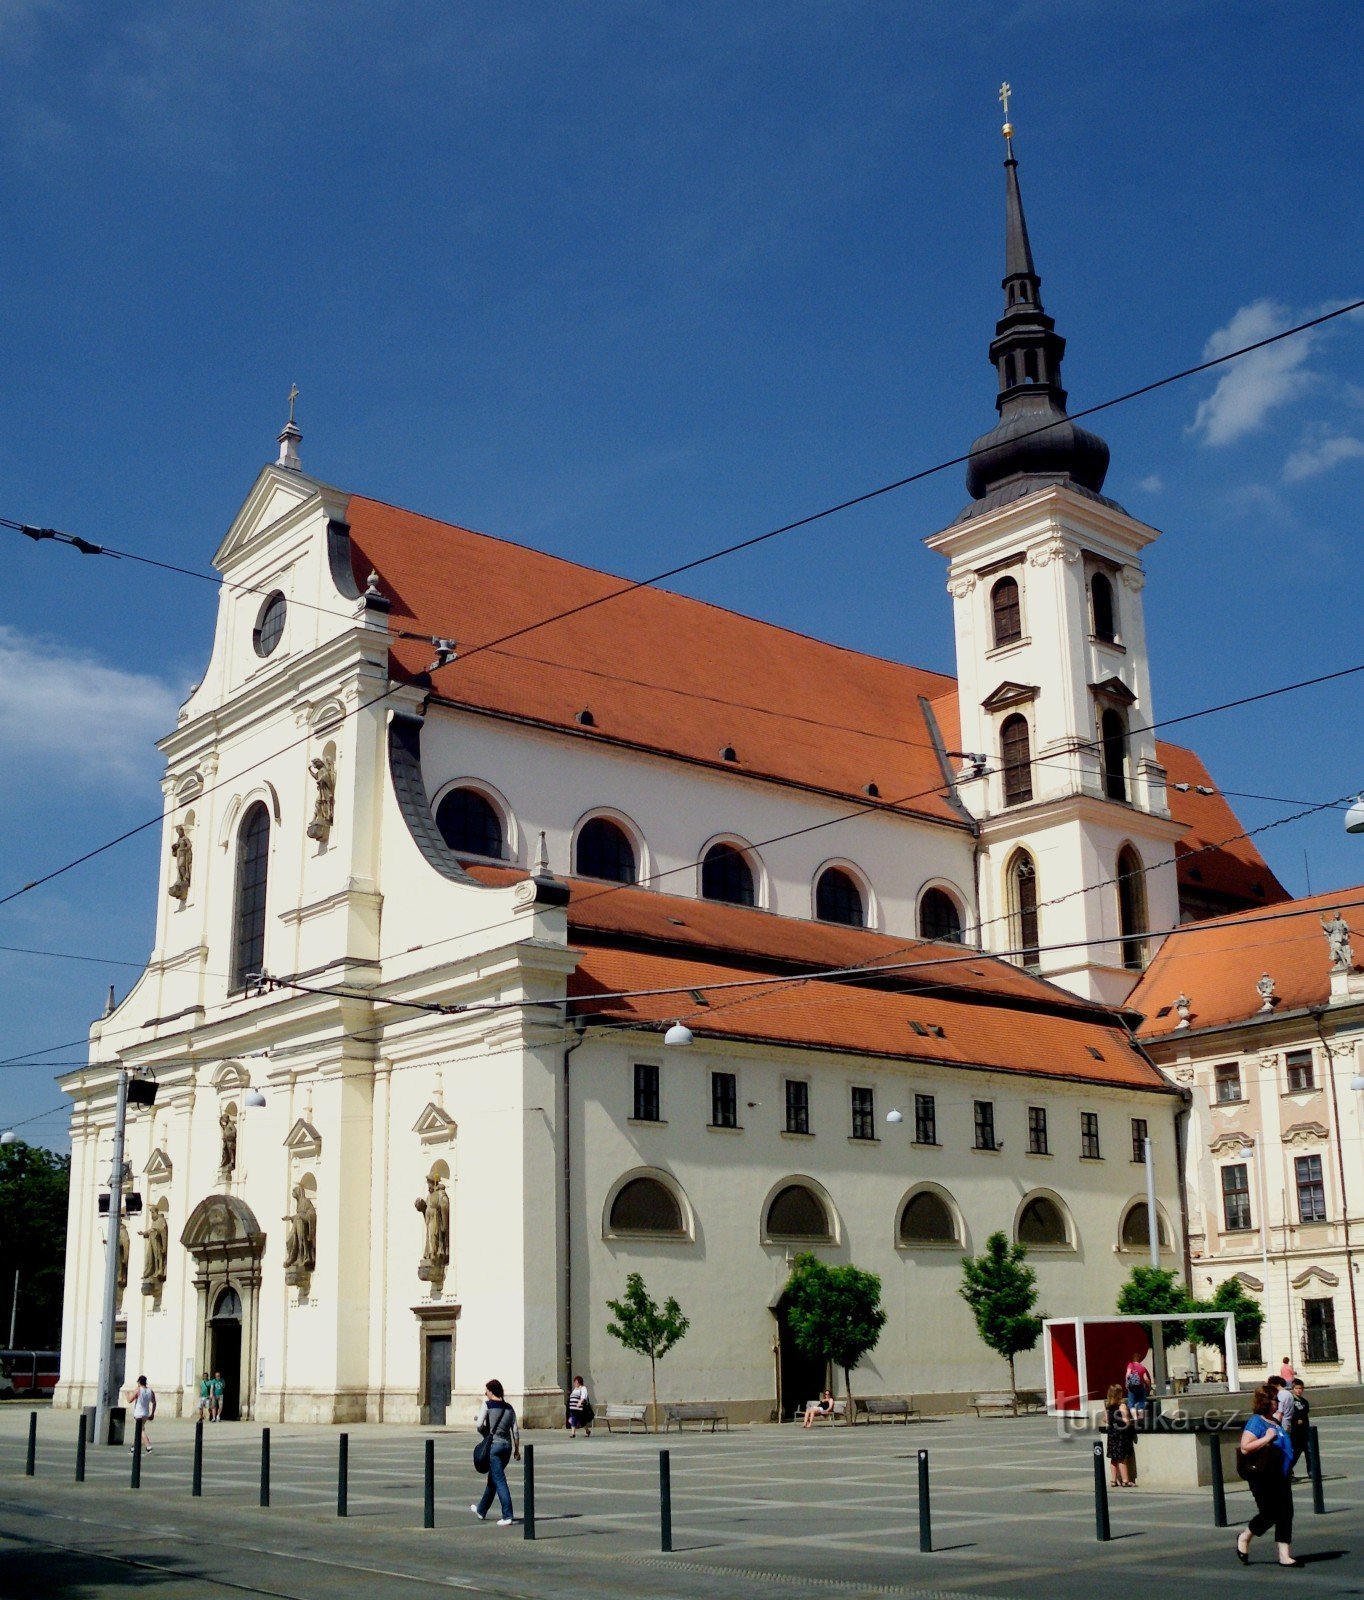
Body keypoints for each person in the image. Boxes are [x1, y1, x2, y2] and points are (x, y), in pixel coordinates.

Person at [1236, 1384, 1298, 1567]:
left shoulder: (1274, 1422)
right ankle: (1245, 1537)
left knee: (1286, 1513)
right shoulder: (1257, 1421)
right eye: (1274, 1400)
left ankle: (1284, 1555)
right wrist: (1267, 1438)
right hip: (1263, 1476)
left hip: (1281, 1475)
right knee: (1269, 1513)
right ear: (1265, 1401)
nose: (1277, 1403)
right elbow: (1245, 1447)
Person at [471, 1379, 520, 1526]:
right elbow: (516, 1431)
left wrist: (484, 1430)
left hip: (495, 1447)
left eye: (486, 1390)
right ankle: (481, 1510)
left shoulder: (488, 1405)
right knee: (493, 1479)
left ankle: (508, 1515)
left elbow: (479, 1425)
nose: (485, 1393)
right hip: (507, 1447)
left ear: (491, 1391)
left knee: (499, 1480)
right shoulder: (509, 1408)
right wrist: (517, 1450)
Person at [1105, 1384, 1137, 1487]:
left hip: (1111, 1434)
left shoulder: (1108, 1405)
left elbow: (1105, 1419)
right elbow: (1125, 1420)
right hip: (1121, 1434)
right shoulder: (1121, 1406)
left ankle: (1113, 1481)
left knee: (1113, 1458)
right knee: (1122, 1458)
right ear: (1118, 1394)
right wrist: (1130, 1422)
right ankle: (1125, 1480)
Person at [125, 1375, 156, 1452]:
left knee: (140, 1430)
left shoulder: (138, 1390)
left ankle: (148, 1446)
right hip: (146, 1413)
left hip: (139, 1413)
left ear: (139, 1382)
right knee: (139, 1430)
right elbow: (154, 1402)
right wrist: (152, 1413)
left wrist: (127, 1394)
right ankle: (135, 1447)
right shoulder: (150, 1391)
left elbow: (129, 1400)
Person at [1288, 1380, 1311, 1476]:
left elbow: (1305, 1413)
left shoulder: (1304, 1401)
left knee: (1309, 1452)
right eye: (1297, 1388)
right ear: (1293, 1389)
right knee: (1295, 1452)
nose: (1299, 1390)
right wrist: (1295, 1421)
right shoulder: (1291, 1401)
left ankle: (1311, 1471)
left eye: (1301, 1388)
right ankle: (1288, 1470)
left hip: (1305, 1430)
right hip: (1295, 1431)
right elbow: (1288, 1414)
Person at [1124, 1353, 1152, 1424]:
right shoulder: (1142, 1367)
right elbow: (1146, 1379)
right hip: (1140, 1387)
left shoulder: (1130, 1364)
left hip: (1132, 1387)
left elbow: (1128, 1373)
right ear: (1139, 1358)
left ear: (1132, 1358)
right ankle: (1141, 1419)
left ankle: (1135, 1419)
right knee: (1141, 1404)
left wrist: (1127, 1383)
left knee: (1131, 1403)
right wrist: (1149, 1386)